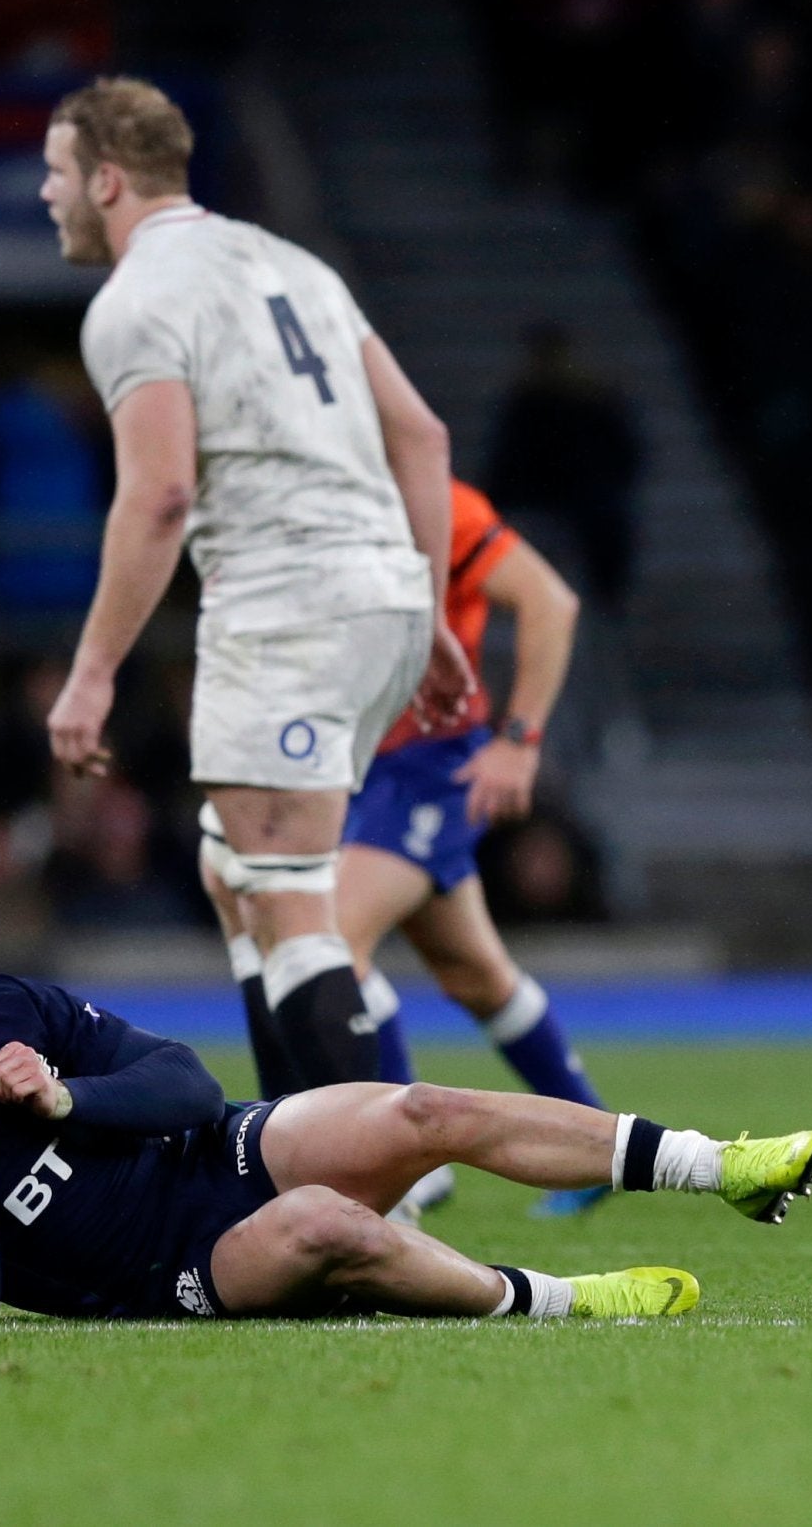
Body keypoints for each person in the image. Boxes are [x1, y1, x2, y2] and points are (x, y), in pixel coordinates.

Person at [37, 76, 472, 1097]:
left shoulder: (136, 299)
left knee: (288, 898)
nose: (44, 195)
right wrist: (431, 610)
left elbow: (159, 493)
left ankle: (367, 1200)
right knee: (233, 870)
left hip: (289, 607)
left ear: (106, 179)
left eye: (54, 173)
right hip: (376, 597)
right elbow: (422, 434)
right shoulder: (292, 264)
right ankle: (292, 1164)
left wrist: (92, 671)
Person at [0, 958, 812, 1321]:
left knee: (424, 1109)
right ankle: (563, 1298)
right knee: (322, 1225)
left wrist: (68, 1100)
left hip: (216, 1148)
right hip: (164, 1268)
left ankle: (715, 1163)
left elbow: (187, 1083)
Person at [202, 480, 603, 1216]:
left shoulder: (438, 506)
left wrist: (520, 742)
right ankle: (595, 1143)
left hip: (430, 768)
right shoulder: (315, 511)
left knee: (327, 941)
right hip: (364, 767)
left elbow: (553, 601)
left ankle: (409, 1161)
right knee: (474, 973)